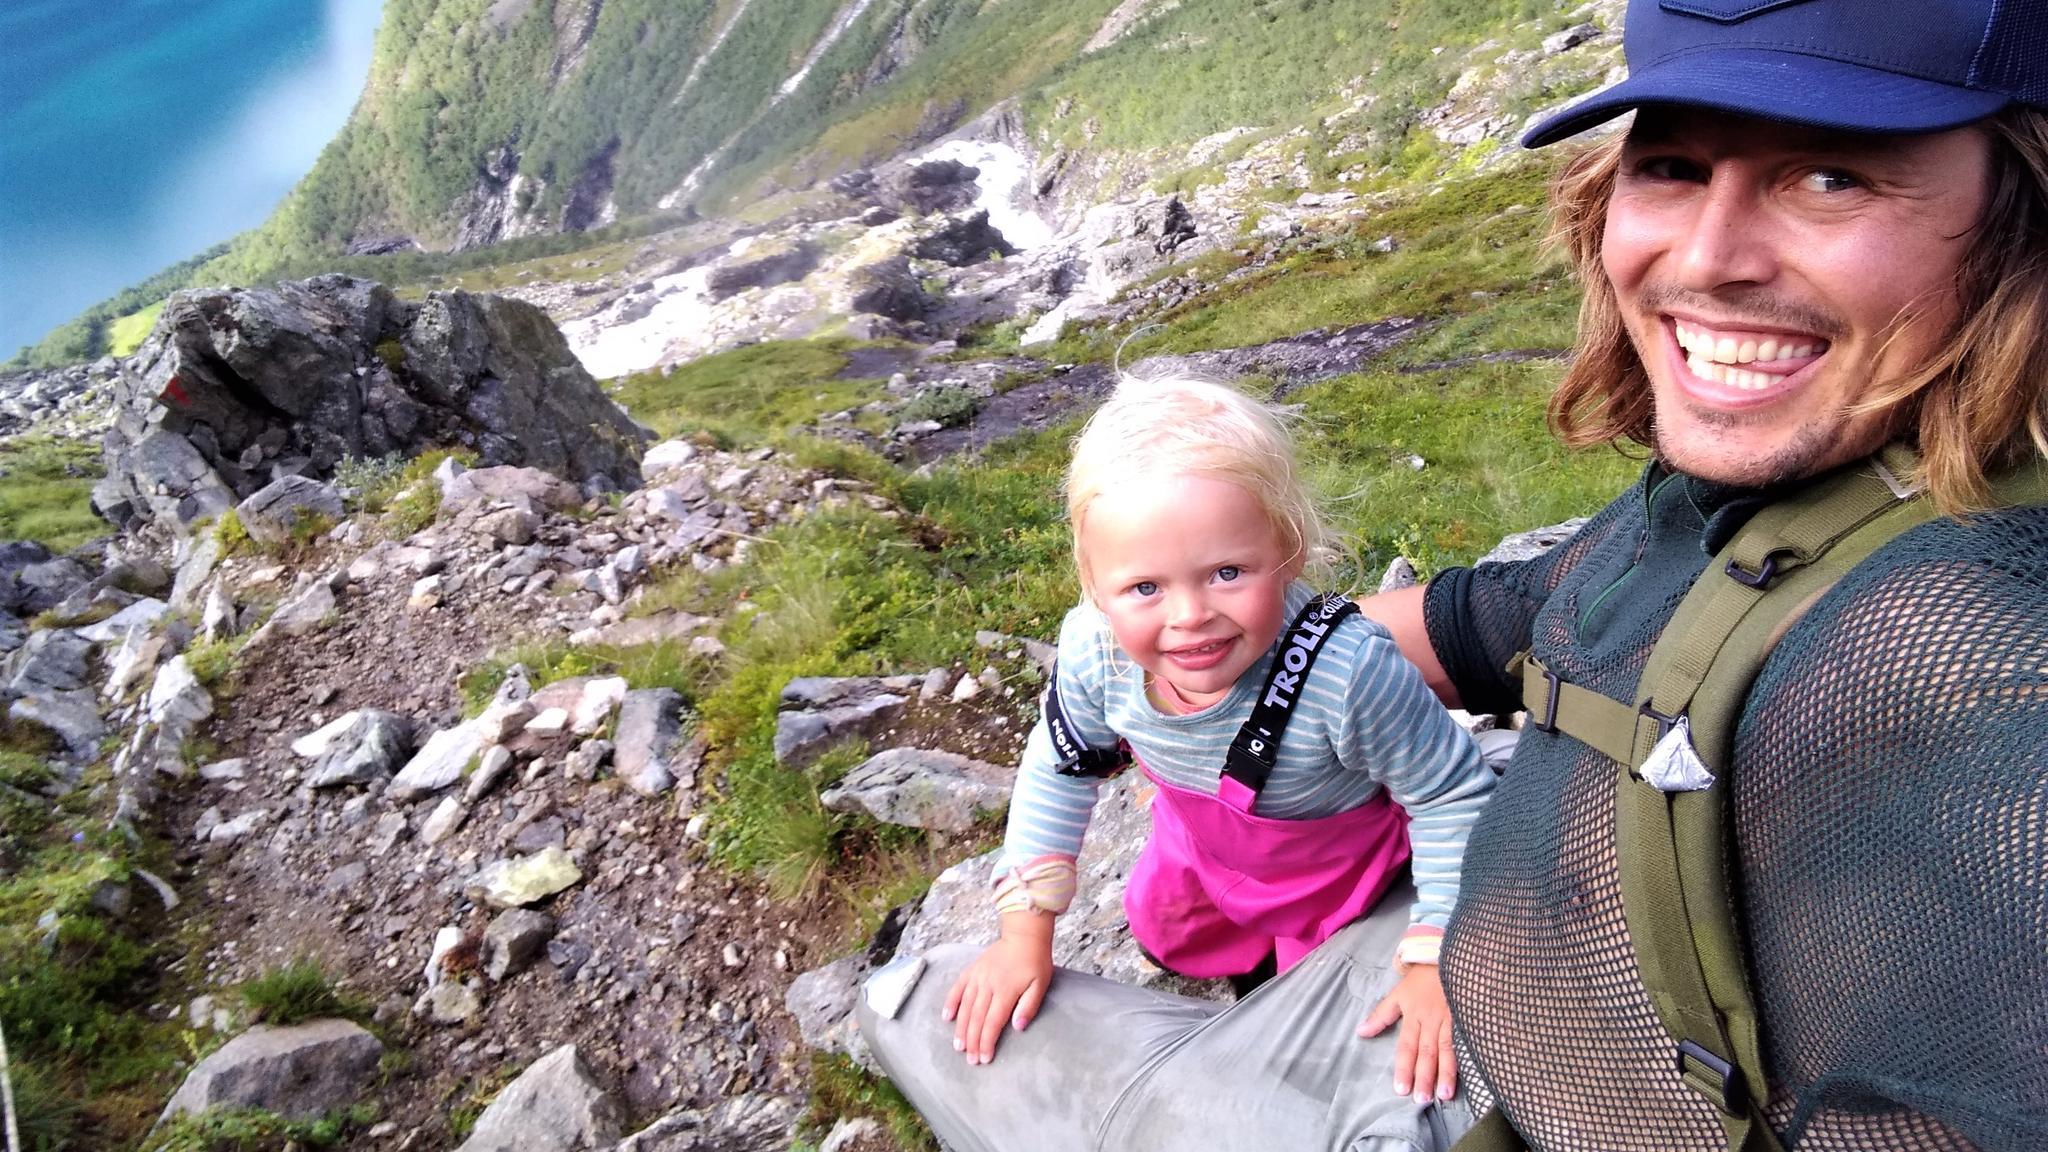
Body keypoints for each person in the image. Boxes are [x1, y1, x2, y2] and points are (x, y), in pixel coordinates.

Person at [861, 2, 2048, 1149]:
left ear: (2021, 210)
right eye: (1671, 167)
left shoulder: (1979, 637)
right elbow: (1530, 607)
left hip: (1436, 1072)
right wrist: (1273, 654)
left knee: (909, 1011)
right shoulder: (1779, 485)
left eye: (1830, 176)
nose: (1703, 256)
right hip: (1473, 993)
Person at [946, 375, 1493, 1106]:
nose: (1190, 616)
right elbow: (1060, 765)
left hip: (1331, 877)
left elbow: (1451, 794)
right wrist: (1023, 935)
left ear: (1289, 549)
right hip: (1199, 846)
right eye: (1145, 587)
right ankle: (1231, 950)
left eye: (1227, 573)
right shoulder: (1094, 649)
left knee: (1312, 1041)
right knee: (1165, 928)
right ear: (1094, 584)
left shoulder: (1347, 673)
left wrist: (1435, 956)